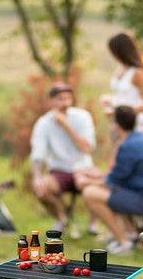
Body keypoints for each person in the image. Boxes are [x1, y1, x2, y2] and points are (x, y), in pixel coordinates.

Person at [80, 105, 143, 255]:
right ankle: (130, 235)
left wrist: (87, 181)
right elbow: (118, 175)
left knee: (90, 193)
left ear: (116, 125)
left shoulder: (127, 145)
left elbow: (113, 180)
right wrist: (94, 176)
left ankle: (124, 242)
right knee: (107, 192)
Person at [29, 82, 96, 232]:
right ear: (51, 101)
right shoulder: (43, 123)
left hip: (83, 167)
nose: (64, 103)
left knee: (97, 188)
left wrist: (65, 125)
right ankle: (61, 219)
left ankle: (93, 224)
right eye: (60, 99)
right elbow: (37, 154)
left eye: (67, 99)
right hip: (59, 170)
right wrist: (37, 177)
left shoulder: (83, 117)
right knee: (42, 189)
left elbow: (87, 148)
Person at [101, 32, 143, 134]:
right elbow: (126, 96)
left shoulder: (138, 73)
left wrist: (118, 113)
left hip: (134, 126)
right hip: (117, 125)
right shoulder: (120, 69)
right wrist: (110, 100)